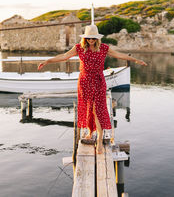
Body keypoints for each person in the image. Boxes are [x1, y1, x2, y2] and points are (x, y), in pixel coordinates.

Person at [38, 24, 147, 154]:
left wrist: (135, 60)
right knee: (89, 107)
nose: (91, 40)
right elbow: (64, 56)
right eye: (89, 38)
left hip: (98, 81)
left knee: (97, 109)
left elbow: (119, 55)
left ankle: (100, 139)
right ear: (85, 38)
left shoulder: (104, 48)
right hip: (84, 82)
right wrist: (47, 61)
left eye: (93, 38)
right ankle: (90, 132)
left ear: (97, 38)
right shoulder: (79, 48)